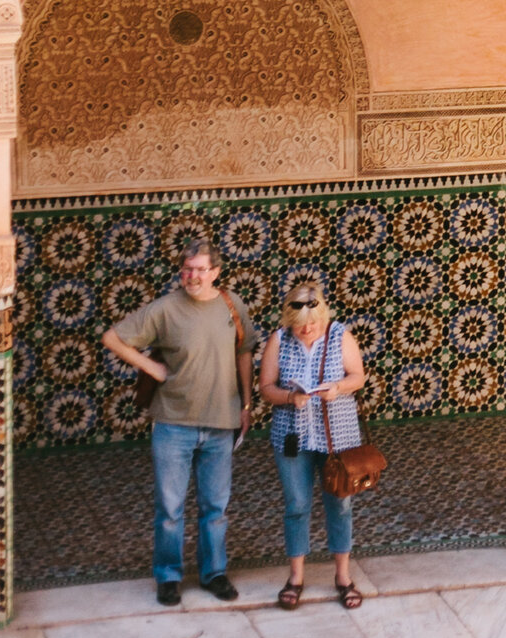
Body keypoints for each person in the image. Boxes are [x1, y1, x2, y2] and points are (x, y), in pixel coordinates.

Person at [101, 235, 256, 607]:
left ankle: (214, 573)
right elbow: (113, 338)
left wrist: (247, 405)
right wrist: (151, 366)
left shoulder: (232, 305)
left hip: (221, 421)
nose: (193, 276)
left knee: (215, 507)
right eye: (187, 269)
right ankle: (168, 577)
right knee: (170, 509)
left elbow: (245, 353)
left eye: (200, 270)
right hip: (173, 424)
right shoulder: (164, 309)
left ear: (215, 272)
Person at [257, 276, 369, 611]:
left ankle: (343, 576)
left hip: (338, 437)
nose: (307, 331)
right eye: (300, 326)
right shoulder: (279, 339)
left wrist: (337, 388)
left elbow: (358, 376)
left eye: (313, 324)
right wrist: (291, 396)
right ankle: (295, 577)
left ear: (322, 317)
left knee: (340, 503)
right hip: (292, 436)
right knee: (296, 505)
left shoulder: (339, 335)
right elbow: (265, 388)